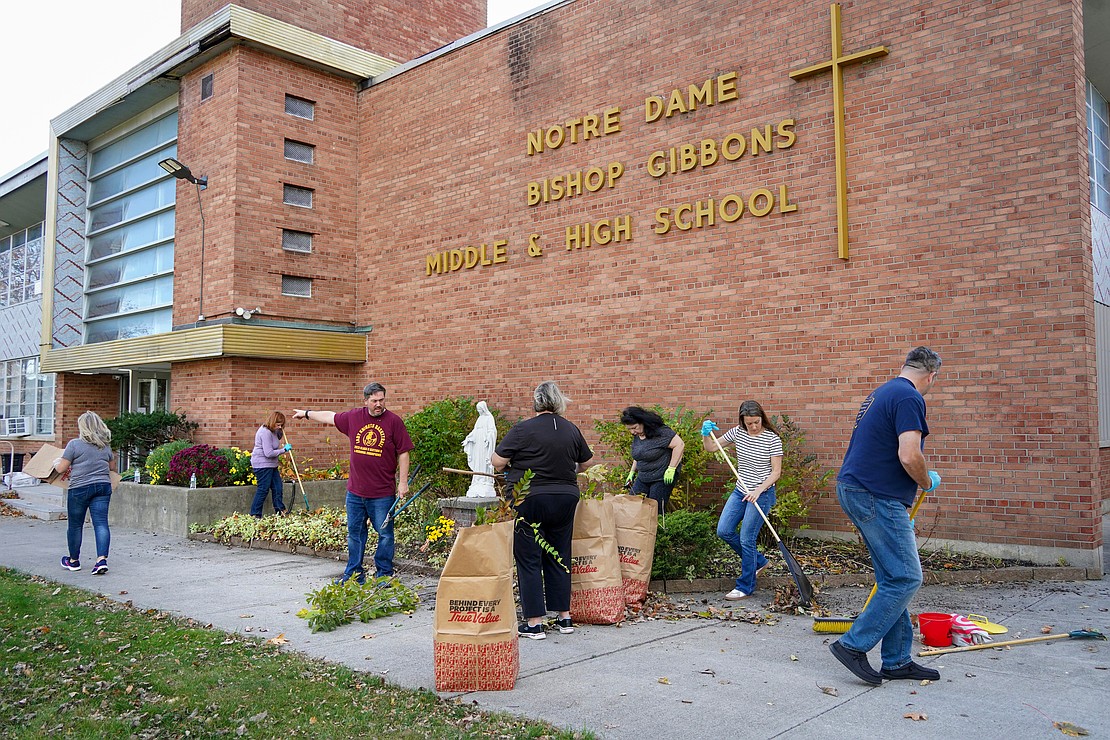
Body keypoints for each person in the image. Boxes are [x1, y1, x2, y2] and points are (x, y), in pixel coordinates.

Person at [829, 347, 943, 686]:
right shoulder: (910, 397)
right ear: (930, 376)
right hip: (876, 495)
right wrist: (926, 481)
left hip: (857, 489)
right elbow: (910, 455)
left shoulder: (882, 392)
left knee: (891, 577)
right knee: (906, 578)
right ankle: (853, 645)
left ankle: (895, 660)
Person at [491, 381, 593, 640]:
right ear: (559, 401)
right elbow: (588, 463)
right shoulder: (571, 429)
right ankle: (564, 617)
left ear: (536, 401)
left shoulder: (523, 428)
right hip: (566, 498)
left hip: (530, 499)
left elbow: (498, 461)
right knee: (560, 553)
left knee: (529, 557)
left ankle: (535, 623)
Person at [292, 382, 414, 583]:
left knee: (385, 535)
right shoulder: (354, 417)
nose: (378, 404)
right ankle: (354, 575)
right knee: (355, 535)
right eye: (374, 401)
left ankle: (384, 575)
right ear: (365, 400)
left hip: (382, 493)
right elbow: (329, 417)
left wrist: (402, 483)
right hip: (356, 492)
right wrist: (306, 413)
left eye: (381, 400)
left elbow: (403, 453)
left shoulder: (394, 422)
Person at [701, 400, 783, 601]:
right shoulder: (737, 433)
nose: (753, 427)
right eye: (749, 423)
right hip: (740, 491)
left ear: (762, 418)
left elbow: (776, 472)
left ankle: (745, 585)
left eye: (756, 422)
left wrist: (758, 489)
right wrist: (705, 434)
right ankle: (759, 561)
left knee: (747, 538)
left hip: (762, 494)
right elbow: (711, 448)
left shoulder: (772, 439)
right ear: (743, 422)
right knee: (724, 530)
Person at [55, 411, 116, 575]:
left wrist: (55, 463)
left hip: (79, 488)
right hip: (103, 487)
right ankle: (101, 560)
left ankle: (73, 561)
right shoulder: (105, 446)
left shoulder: (74, 444)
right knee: (101, 524)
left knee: (75, 525)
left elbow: (61, 468)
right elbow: (112, 468)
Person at [620, 406, 685, 513]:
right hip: (644, 477)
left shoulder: (661, 432)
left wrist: (672, 468)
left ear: (643, 422)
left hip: (661, 477)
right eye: (629, 429)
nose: (632, 432)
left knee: (654, 509)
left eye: (634, 427)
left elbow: (680, 445)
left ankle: (656, 529)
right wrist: (632, 472)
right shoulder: (638, 435)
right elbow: (639, 455)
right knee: (632, 505)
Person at [250, 411, 290, 517]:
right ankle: (255, 514)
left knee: (277, 487)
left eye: (281, 425)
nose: (279, 426)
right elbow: (269, 453)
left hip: (271, 464)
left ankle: (280, 511)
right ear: (272, 422)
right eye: (278, 424)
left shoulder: (273, 431)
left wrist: (280, 432)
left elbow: (276, 440)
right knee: (263, 488)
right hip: (262, 464)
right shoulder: (265, 432)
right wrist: (284, 450)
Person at [462, 400, 497, 497]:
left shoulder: (489, 418)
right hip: (478, 444)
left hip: (485, 444)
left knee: (484, 462)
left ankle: (485, 481)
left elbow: (492, 431)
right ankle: (477, 480)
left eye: (480, 410)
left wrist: (489, 437)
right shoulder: (479, 419)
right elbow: (475, 431)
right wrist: (468, 438)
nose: (479, 412)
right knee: (478, 462)